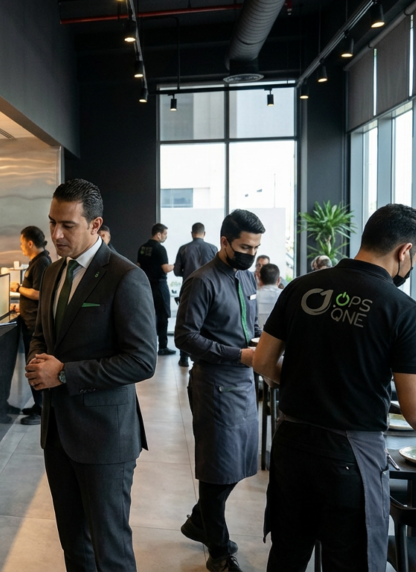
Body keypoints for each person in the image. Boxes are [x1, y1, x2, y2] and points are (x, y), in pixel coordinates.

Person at [254, 204, 416, 572]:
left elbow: (264, 362)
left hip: (291, 448)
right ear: (404, 251)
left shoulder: (301, 287)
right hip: (349, 460)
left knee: (287, 557)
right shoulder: (403, 310)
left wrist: (309, 382)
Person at [25, 179, 157, 571]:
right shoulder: (52, 272)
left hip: (105, 437)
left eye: (67, 225)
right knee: (74, 546)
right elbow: (41, 334)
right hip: (57, 432)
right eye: (52, 223)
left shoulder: (125, 276)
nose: (56, 234)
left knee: (110, 549)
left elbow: (142, 361)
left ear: (95, 224)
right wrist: (36, 362)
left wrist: (64, 374)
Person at [174, 209, 265, 572]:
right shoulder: (201, 281)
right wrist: (238, 354)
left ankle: (200, 520)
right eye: (245, 247)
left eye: (256, 248)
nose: (251, 254)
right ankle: (219, 552)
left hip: (244, 381)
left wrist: (261, 345)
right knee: (217, 471)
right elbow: (185, 337)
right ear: (225, 242)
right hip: (213, 385)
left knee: (239, 462)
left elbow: (249, 327)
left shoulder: (247, 278)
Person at [7, 225, 52, 425]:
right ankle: (38, 405)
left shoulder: (41, 262)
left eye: (22, 243)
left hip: (35, 326)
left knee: (35, 366)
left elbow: (39, 293)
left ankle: (42, 409)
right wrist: (21, 307)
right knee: (32, 365)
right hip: (29, 322)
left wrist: (18, 288)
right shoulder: (38, 261)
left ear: (30, 243)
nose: (21, 247)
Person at [173, 222, 219, 367]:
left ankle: (184, 358)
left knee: (186, 323)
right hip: (209, 290)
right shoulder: (213, 248)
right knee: (206, 322)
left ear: (192, 233)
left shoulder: (183, 248)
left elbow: (176, 271)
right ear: (204, 234)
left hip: (188, 289)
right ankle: (203, 357)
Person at [138, 223, 175, 356]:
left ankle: (146, 346)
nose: (165, 236)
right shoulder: (160, 248)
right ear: (158, 234)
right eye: (165, 234)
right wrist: (176, 265)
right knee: (163, 315)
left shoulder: (142, 248)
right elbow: (165, 268)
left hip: (146, 286)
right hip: (159, 286)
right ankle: (163, 347)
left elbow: (138, 266)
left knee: (147, 316)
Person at [255, 263, 281, 330]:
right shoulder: (286, 295)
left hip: (258, 335)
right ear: (279, 280)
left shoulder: (253, 296)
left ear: (259, 279)